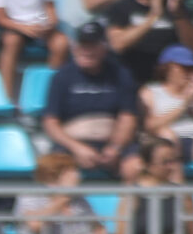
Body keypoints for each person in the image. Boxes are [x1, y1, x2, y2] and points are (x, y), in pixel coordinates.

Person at [43, 20, 143, 179]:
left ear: (104, 48)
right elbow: (50, 122)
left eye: (92, 45)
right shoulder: (62, 77)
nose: (86, 50)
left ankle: (127, 204)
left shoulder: (121, 75)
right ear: (75, 47)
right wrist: (77, 148)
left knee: (135, 167)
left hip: (113, 143)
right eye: (83, 45)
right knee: (59, 171)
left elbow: (128, 117)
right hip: (72, 145)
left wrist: (115, 148)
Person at [142, 46, 193, 183]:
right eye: (184, 68)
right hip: (166, 144)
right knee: (166, 134)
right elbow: (150, 126)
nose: (189, 73)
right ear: (168, 68)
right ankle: (179, 191)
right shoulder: (151, 92)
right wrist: (184, 105)